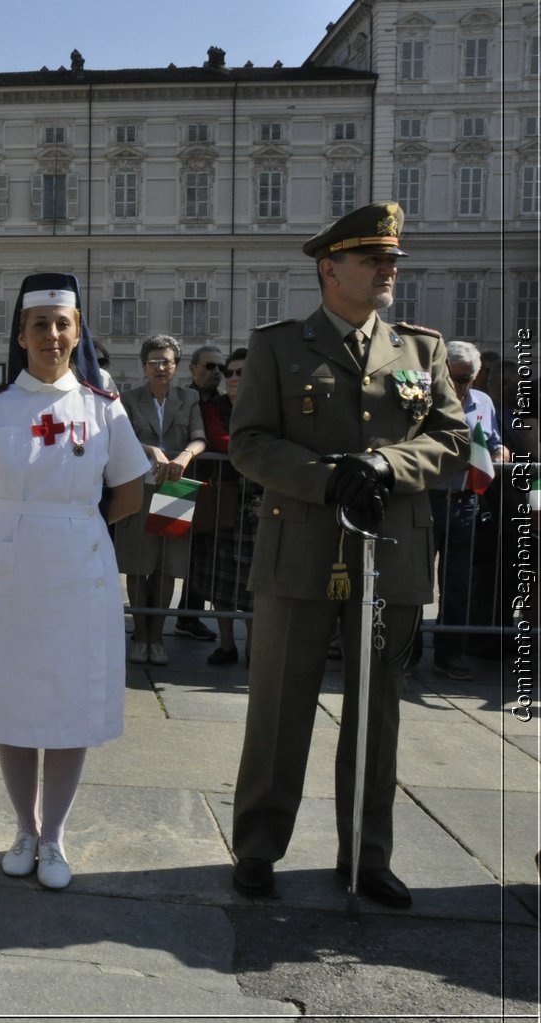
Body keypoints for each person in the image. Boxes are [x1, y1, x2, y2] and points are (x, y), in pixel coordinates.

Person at [228, 201, 468, 909]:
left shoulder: (422, 350)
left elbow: (453, 441)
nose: (389, 270)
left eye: (392, 260)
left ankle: (367, 854)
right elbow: (248, 443)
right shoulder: (279, 345)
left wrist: (387, 464)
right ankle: (258, 845)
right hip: (300, 552)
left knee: (379, 712)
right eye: (375, 260)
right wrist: (327, 475)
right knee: (279, 707)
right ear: (331, 269)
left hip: (390, 557)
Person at [0, 273, 148, 890]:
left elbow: (132, 491)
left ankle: (54, 835)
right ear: (22, 334)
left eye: (63, 325)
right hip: (11, 570)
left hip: (78, 568)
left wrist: (74, 525)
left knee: (68, 699)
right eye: (40, 325)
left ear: (77, 331)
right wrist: (6, 525)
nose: (52, 336)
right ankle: (23, 828)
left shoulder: (102, 408)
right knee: (14, 699)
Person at [112, 334, 206, 666]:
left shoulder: (189, 398)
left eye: (166, 361)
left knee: (168, 567)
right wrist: (151, 449)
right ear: (144, 367)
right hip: (140, 486)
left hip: (175, 487)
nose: (160, 367)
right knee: (138, 564)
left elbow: (199, 438)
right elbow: (121, 438)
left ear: (177, 366)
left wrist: (183, 458)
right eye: (154, 362)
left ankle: (157, 637)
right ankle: (139, 635)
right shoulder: (128, 398)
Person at [423, 340, 508, 681]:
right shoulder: (425, 399)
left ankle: (450, 655)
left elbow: (496, 441)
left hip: (465, 502)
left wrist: (499, 456)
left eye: (467, 378)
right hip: (428, 499)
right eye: (453, 378)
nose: (460, 386)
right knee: (417, 582)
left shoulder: (484, 402)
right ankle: (407, 652)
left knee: (458, 584)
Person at [188, 346, 258, 665]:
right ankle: (227, 645)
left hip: (258, 500)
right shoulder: (214, 407)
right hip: (222, 495)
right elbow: (219, 440)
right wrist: (254, 455)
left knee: (252, 581)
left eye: (240, 372)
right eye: (229, 372)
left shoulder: (263, 407)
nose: (231, 377)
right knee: (220, 578)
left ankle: (254, 647)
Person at [171, 345, 229, 643]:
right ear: (193, 368)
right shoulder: (181, 398)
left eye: (221, 367)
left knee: (200, 554)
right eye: (209, 366)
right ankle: (150, 622)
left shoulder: (222, 402)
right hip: (177, 484)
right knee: (164, 553)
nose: (216, 372)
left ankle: (188, 616)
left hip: (208, 489)